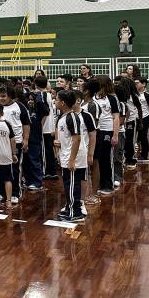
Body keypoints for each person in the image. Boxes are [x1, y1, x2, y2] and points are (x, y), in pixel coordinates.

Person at [54, 89, 91, 222]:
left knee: (72, 185)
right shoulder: (63, 117)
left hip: (73, 158)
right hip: (66, 156)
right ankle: (71, 209)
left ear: (63, 103)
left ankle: (75, 213)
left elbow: (77, 139)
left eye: (57, 99)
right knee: (68, 184)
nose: (55, 101)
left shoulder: (72, 117)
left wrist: (71, 159)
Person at [135, 77, 149, 164]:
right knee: (135, 137)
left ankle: (144, 156)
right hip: (134, 119)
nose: (135, 84)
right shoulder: (134, 95)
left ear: (143, 84)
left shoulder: (147, 95)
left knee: (143, 137)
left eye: (137, 83)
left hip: (144, 118)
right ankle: (136, 154)